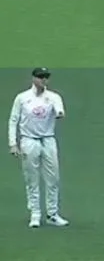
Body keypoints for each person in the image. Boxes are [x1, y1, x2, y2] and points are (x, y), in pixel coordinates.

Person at [8, 67, 68, 228]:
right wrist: (13, 143)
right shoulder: (22, 98)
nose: (43, 80)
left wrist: (59, 113)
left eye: (46, 77)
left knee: (53, 178)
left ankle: (52, 214)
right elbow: (13, 120)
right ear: (33, 78)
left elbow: (59, 111)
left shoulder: (53, 97)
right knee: (31, 178)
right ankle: (35, 213)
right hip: (29, 140)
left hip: (48, 139)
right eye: (40, 77)